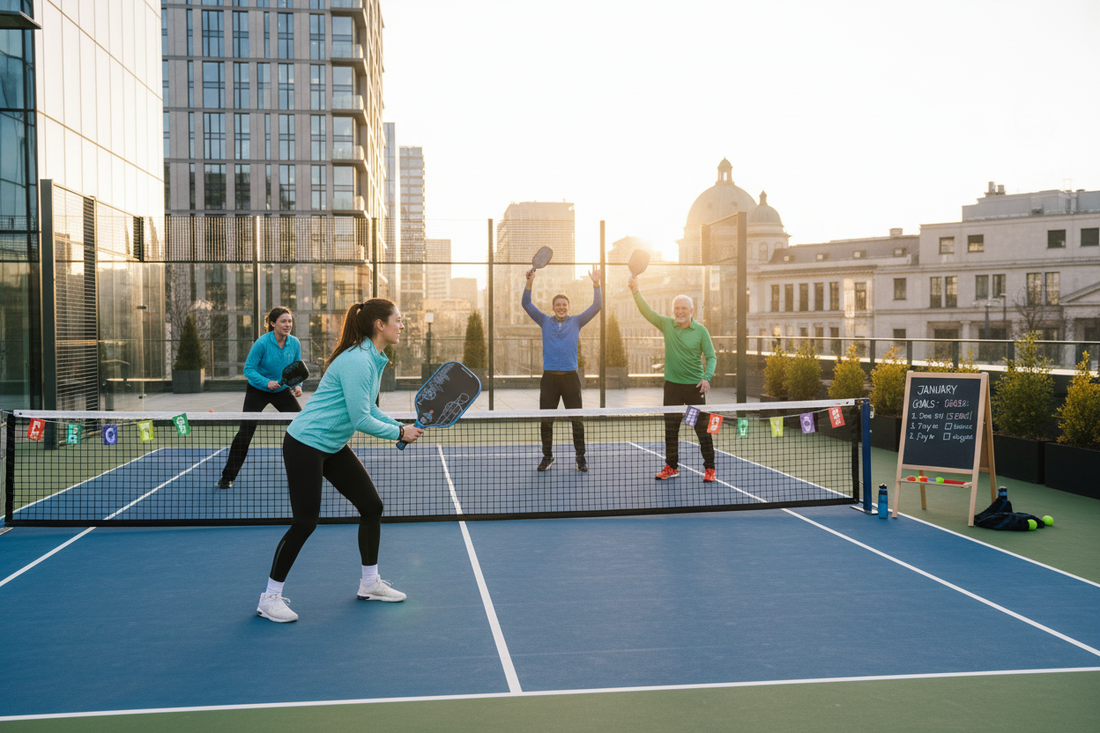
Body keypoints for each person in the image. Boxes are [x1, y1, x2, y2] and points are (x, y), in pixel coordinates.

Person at [256, 298, 424, 623]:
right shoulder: (359, 361)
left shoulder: (372, 358)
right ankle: (269, 598)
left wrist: (401, 427)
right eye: (398, 320)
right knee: (305, 522)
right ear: (380, 325)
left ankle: (370, 583)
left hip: (331, 445)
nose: (402, 326)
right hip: (305, 443)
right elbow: (360, 419)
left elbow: (370, 410)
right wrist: (398, 434)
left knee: (372, 506)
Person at [627, 275, 717, 482]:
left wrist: (707, 378)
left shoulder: (701, 331)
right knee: (671, 429)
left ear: (691, 311)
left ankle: (710, 468)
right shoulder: (667, 325)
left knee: (702, 429)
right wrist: (635, 291)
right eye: (677, 308)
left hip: (695, 389)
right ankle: (672, 466)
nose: (680, 312)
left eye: (684, 308)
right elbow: (647, 312)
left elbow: (711, 357)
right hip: (673, 389)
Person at [522, 265, 602, 472]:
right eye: (558, 304)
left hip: (570, 379)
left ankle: (580, 457)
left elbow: (596, 306)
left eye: (564, 304)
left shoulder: (577, 321)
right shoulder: (544, 321)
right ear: (553, 307)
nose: (561, 307)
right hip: (549, 379)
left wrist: (596, 284)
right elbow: (526, 303)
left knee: (577, 420)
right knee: (546, 421)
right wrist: (529, 281)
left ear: (568, 306)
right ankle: (547, 456)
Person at [218, 307, 304, 490]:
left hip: (281, 390)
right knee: (246, 432)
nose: (288, 325)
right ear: (273, 323)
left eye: (289, 321)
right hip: (258, 390)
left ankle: (307, 470)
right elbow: (248, 369)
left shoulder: (295, 343)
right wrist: (266, 383)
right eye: (283, 321)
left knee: (302, 425)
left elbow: (296, 368)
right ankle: (227, 477)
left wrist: (297, 386)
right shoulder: (262, 343)